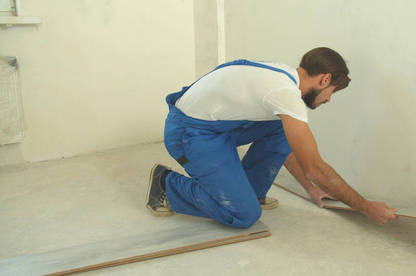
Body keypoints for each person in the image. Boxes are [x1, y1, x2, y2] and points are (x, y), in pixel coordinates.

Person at [146, 47, 398, 228]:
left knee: (280, 128)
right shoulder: (284, 93)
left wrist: (311, 188)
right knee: (244, 215)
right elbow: (315, 167)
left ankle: (251, 191)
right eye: (331, 92)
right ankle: (166, 184)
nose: (329, 99)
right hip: (189, 133)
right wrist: (365, 207)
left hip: (215, 127)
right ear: (325, 79)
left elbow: (288, 147)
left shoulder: (283, 76)